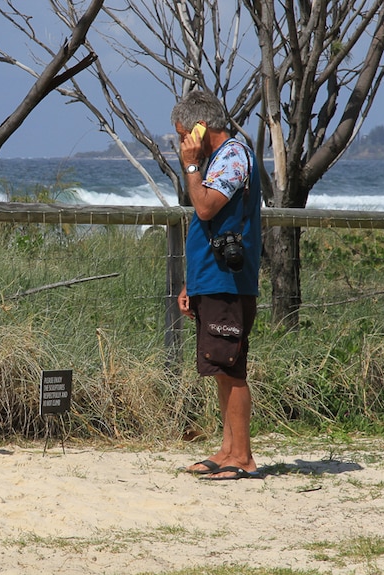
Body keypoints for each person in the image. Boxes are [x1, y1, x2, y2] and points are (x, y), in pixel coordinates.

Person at [170, 91, 262, 480]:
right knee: (219, 367)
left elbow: (205, 206)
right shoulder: (221, 159)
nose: (181, 144)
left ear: (199, 128)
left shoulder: (233, 156)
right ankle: (227, 450)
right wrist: (192, 283)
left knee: (231, 367)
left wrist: (191, 168)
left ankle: (242, 457)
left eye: (182, 135)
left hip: (228, 281)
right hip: (212, 279)